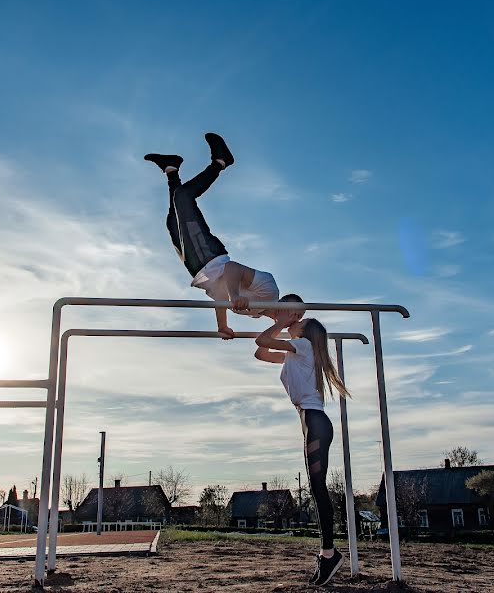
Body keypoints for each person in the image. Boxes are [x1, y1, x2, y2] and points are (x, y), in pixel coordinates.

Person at [146, 133, 289, 338]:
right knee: (184, 198)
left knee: (173, 220)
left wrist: (222, 324)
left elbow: (220, 293)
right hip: (209, 257)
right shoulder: (269, 292)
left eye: (297, 316)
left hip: (199, 270)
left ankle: (171, 168)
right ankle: (221, 162)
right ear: (284, 305)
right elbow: (231, 269)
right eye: (293, 311)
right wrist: (235, 296)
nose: (293, 317)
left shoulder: (256, 313)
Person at [254, 314, 348, 586]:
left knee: (318, 489)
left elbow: (263, 339)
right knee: (316, 488)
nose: (294, 322)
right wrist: (282, 329)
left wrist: (281, 322)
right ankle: (328, 553)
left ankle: (329, 553)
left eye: (298, 321)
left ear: (305, 332)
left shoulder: (302, 346)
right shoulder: (295, 354)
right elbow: (260, 351)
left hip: (315, 423)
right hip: (311, 423)